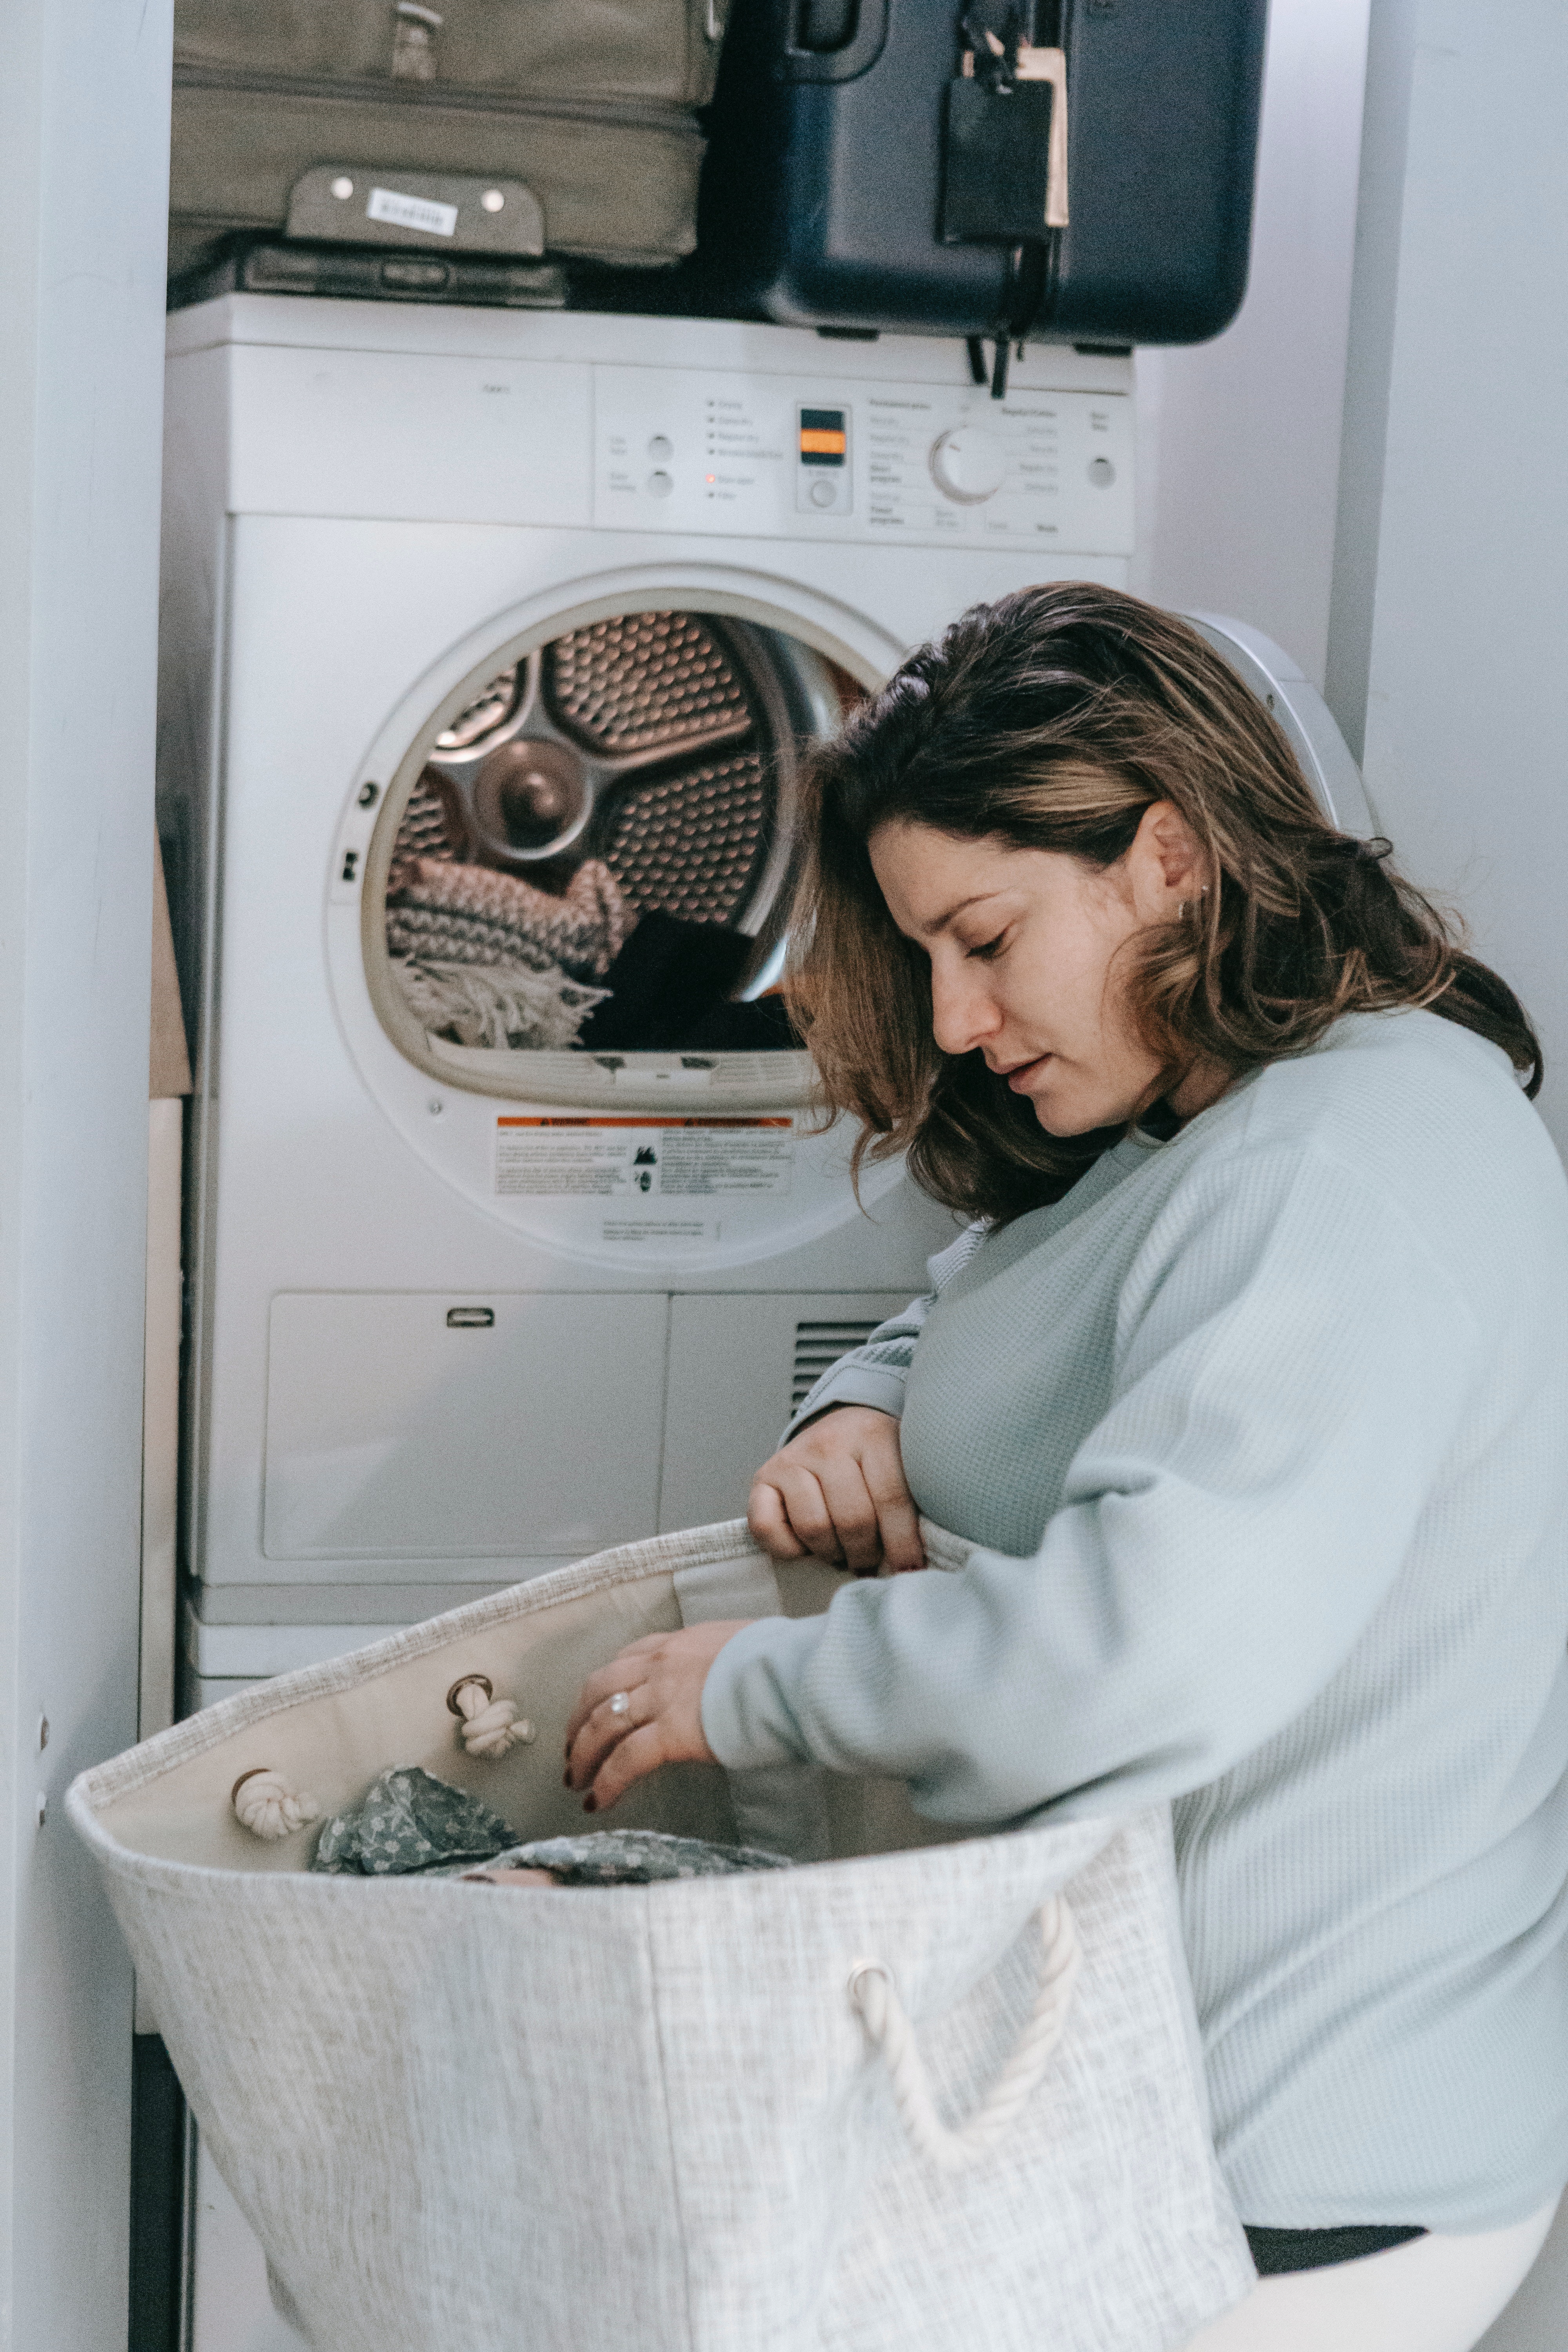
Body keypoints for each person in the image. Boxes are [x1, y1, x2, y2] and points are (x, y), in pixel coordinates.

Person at [563, 584, 1568, 2350]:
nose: (953, 1020)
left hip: (1294, 2177)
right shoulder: (1203, 1121)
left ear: (1165, 859)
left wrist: (760, 1688)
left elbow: (1142, 1655)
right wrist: (858, 1411)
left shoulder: (1342, 1155)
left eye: (984, 938)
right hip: (1178, 2123)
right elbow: (1003, 1292)